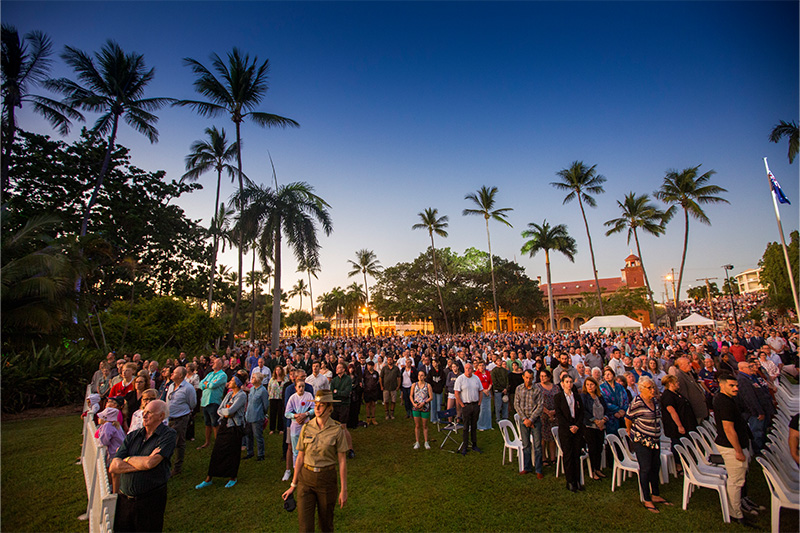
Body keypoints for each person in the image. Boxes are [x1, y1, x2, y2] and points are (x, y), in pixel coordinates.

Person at [282, 390, 348, 533]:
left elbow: (342, 461)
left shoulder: (337, 430)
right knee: (305, 528)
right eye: (316, 405)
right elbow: (300, 457)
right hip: (306, 480)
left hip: (327, 480)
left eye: (321, 405)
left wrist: (344, 489)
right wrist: (293, 485)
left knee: (326, 526)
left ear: (329, 408)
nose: (317, 408)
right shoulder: (306, 427)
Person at [109, 399, 177, 533]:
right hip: (125, 501)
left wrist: (126, 459)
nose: (144, 416)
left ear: (161, 416)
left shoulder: (168, 435)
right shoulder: (133, 436)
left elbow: (150, 463)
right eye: (144, 412)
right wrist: (139, 462)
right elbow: (114, 466)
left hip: (149, 501)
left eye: (149, 413)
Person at [713, 372, 759, 526]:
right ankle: (735, 514)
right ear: (722, 384)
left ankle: (739, 507)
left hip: (735, 443)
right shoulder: (724, 402)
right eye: (731, 386)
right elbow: (728, 428)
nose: (736, 388)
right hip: (731, 446)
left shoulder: (727, 399)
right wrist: (738, 450)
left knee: (738, 479)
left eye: (736, 385)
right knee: (736, 481)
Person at [195, 370, 249, 489]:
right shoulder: (229, 394)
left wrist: (227, 412)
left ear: (237, 383)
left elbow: (230, 411)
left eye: (232, 380)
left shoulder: (241, 395)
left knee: (233, 452)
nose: (229, 382)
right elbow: (220, 410)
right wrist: (226, 413)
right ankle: (209, 477)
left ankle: (232, 477)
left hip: (234, 427)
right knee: (217, 451)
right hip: (224, 425)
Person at [625, 376, 669, 513]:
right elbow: (628, 418)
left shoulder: (655, 401)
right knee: (645, 468)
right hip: (642, 440)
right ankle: (647, 498)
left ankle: (655, 494)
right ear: (642, 389)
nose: (652, 390)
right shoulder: (637, 402)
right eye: (649, 388)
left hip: (655, 439)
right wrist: (629, 431)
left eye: (653, 387)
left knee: (655, 466)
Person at [736, 360, 774, 453]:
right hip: (755, 412)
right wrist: (759, 411)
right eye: (748, 367)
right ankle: (757, 451)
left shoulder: (749, 378)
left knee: (761, 430)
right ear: (741, 369)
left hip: (761, 408)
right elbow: (750, 398)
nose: (751, 369)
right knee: (757, 431)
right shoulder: (743, 380)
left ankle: (762, 447)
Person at [554, 374, 584, 492]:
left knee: (576, 454)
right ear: (562, 384)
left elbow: (581, 412)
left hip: (576, 428)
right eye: (566, 382)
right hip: (566, 429)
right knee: (568, 455)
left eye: (571, 382)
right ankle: (570, 481)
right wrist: (569, 427)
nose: (569, 384)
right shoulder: (558, 397)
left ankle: (577, 480)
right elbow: (559, 414)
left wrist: (577, 425)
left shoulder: (577, 396)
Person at [659, 374, 695, 471]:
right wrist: (679, 425)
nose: (678, 384)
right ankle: (678, 465)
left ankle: (685, 462)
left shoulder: (676, 393)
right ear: (670, 383)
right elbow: (672, 411)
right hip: (675, 426)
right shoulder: (667, 396)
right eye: (676, 382)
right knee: (677, 444)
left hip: (686, 422)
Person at [165, 366, 196, 476]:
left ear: (180, 376)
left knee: (179, 442)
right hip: (169, 417)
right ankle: (166, 464)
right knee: (167, 441)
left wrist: (184, 411)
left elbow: (192, 403)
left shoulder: (188, 388)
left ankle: (177, 468)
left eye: (174, 373)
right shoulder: (171, 386)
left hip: (181, 418)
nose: (172, 374)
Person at [285, 376, 316, 482]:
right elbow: (287, 413)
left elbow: (314, 408)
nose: (301, 388)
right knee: (295, 449)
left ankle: (307, 469)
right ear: (295, 388)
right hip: (295, 425)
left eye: (303, 386)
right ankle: (296, 471)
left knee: (307, 447)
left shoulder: (309, 395)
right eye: (299, 387)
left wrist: (306, 414)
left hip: (306, 423)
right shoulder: (292, 398)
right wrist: (295, 416)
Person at [514, 369, 544, 478]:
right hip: (524, 421)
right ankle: (527, 467)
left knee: (537, 445)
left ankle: (539, 469)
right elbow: (516, 405)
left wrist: (531, 419)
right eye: (526, 378)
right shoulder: (519, 389)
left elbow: (540, 406)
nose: (528, 380)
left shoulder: (537, 390)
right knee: (526, 445)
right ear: (523, 377)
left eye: (530, 378)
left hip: (535, 420)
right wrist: (525, 419)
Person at [197, 357, 228, 450]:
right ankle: (207, 442)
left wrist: (207, 384)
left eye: (215, 362)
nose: (213, 363)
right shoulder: (210, 374)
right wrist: (207, 384)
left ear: (220, 365)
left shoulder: (222, 375)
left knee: (215, 423)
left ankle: (218, 443)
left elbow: (213, 385)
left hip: (214, 401)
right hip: (205, 401)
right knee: (207, 423)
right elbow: (200, 384)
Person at [581, 376, 608, 481]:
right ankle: (592, 470)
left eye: (591, 384)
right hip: (590, 426)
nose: (589, 387)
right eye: (587, 385)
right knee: (592, 448)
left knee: (599, 447)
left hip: (601, 426)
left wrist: (603, 420)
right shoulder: (584, 396)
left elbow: (606, 409)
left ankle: (598, 468)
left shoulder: (599, 397)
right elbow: (584, 411)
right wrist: (595, 420)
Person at [455, 363, 484, 455]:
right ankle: (465, 446)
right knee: (465, 427)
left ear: (472, 369)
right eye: (466, 368)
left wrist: (479, 403)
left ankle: (474, 444)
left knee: (474, 426)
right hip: (466, 406)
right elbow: (456, 393)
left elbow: (481, 391)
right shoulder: (460, 379)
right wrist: (461, 405)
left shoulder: (476, 378)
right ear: (464, 369)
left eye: (470, 368)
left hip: (475, 405)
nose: (468, 370)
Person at [673, 357, 709, 424]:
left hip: (700, 409)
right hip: (694, 411)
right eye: (688, 363)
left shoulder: (689, 374)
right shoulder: (680, 377)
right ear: (681, 365)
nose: (691, 365)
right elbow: (684, 396)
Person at [244, 372, 270, 461]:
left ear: (258, 379)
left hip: (257, 416)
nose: (252, 379)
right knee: (248, 435)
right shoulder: (251, 389)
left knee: (258, 435)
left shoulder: (263, 391)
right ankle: (249, 452)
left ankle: (260, 454)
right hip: (249, 415)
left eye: (254, 377)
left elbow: (265, 405)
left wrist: (262, 413)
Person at [537, 369, 558, 466]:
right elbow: (537, 401)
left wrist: (553, 412)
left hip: (554, 414)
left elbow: (559, 400)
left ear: (549, 377)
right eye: (541, 376)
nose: (542, 378)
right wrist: (547, 411)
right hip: (542, 414)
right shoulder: (537, 387)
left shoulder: (555, 387)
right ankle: (543, 457)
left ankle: (553, 457)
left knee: (552, 437)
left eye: (544, 376)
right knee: (543, 437)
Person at [411, 370, 434, 449]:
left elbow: (431, 397)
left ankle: (426, 441)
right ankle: (417, 441)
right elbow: (411, 395)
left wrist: (424, 402)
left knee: (425, 425)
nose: (420, 377)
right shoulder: (414, 385)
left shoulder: (428, 386)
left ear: (424, 377)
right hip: (416, 406)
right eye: (419, 375)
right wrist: (413, 403)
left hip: (425, 407)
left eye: (422, 375)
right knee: (417, 425)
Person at [268, 365, 287, 435]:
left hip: (281, 398)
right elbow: (269, 387)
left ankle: (280, 428)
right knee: (272, 413)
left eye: (279, 370)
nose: (278, 371)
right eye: (276, 370)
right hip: (273, 397)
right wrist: (270, 394)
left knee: (280, 413)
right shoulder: (272, 379)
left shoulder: (285, 379)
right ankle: (272, 428)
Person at [427, 357, 447, 424]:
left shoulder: (441, 371)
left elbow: (443, 380)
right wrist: (432, 387)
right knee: (433, 405)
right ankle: (433, 418)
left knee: (439, 404)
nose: (433, 364)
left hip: (439, 389)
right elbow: (429, 380)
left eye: (434, 362)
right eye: (432, 363)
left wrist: (441, 386)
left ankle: (439, 418)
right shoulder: (431, 371)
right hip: (433, 390)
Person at [475, 361, 493, 431]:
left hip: (487, 392)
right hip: (481, 393)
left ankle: (488, 425)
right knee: (482, 409)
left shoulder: (487, 373)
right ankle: (481, 425)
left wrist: (488, 390)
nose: (482, 367)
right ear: (478, 366)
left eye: (483, 365)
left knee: (488, 409)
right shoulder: (476, 374)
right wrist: (483, 390)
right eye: (480, 365)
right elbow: (477, 384)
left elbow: (490, 382)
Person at [362, 360, 381, 426]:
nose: (368, 367)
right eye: (367, 365)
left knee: (373, 404)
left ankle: (373, 418)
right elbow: (363, 381)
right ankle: (368, 418)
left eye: (370, 365)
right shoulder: (365, 373)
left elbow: (377, 381)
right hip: (367, 390)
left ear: (372, 366)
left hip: (374, 391)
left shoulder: (376, 373)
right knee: (367, 405)